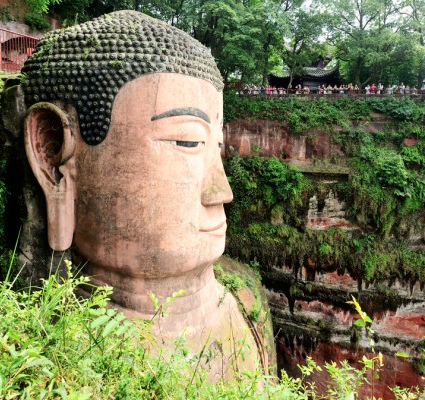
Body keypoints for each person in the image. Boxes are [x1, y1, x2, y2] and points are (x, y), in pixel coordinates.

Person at [20, 10, 269, 378]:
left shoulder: (240, 308)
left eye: (217, 147)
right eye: (187, 141)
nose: (223, 191)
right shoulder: (52, 360)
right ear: (53, 156)